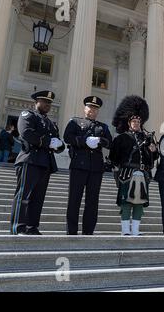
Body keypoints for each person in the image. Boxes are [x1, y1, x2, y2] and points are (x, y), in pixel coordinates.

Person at [10, 91, 65, 235]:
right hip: (30, 160)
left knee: (38, 198)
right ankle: (18, 227)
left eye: (49, 103)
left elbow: (59, 144)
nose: (47, 105)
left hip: (45, 163)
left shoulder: (51, 124)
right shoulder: (28, 115)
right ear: (36, 102)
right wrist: (48, 142)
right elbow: (26, 133)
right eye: (44, 101)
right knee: (23, 195)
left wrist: (59, 145)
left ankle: (32, 227)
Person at [63, 96, 113, 235]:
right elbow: (67, 137)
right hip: (78, 165)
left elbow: (110, 142)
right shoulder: (75, 122)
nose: (92, 110)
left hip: (96, 168)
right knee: (74, 199)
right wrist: (84, 141)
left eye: (95, 108)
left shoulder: (103, 127)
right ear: (85, 108)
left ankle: (88, 231)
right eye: (90, 107)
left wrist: (100, 140)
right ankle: (71, 231)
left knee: (92, 201)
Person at [110, 95, 158, 236]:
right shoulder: (121, 138)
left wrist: (154, 151)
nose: (136, 123)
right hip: (127, 173)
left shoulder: (147, 138)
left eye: (138, 121)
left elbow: (153, 158)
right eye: (134, 121)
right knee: (126, 203)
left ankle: (135, 230)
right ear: (129, 122)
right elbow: (114, 157)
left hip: (143, 174)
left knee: (139, 204)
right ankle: (125, 230)